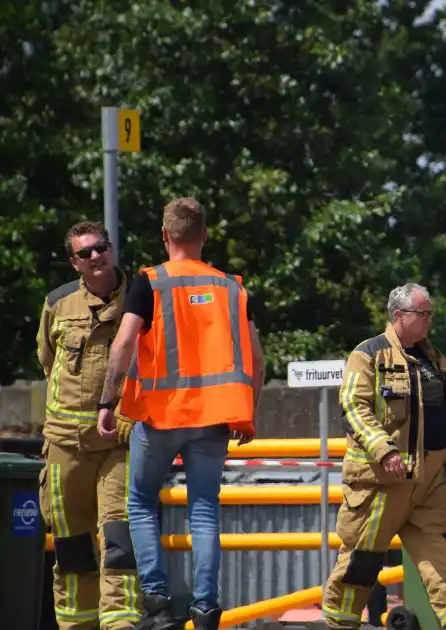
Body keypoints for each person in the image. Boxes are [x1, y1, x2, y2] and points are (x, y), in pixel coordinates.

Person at [96, 197, 266, 630]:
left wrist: (107, 401)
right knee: (205, 509)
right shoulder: (231, 287)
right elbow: (257, 358)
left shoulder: (150, 282)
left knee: (140, 502)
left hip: (159, 417)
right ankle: (206, 610)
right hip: (214, 420)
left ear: (165, 235)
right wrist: (249, 411)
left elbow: (124, 343)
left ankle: (156, 605)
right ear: (204, 236)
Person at [321, 283, 446, 630]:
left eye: (430, 314)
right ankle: (340, 623)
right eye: (421, 314)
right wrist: (384, 451)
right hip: (382, 483)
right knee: (361, 562)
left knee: (443, 554)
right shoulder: (368, 355)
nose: (428, 320)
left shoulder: (437, 358)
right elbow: (353, 407)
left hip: (431, 481)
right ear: (399, 316)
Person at [35, 221, 144, 630]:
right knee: (72, 544)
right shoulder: (57, 303)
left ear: (112, 249)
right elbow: (48, 360)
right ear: (74, 262)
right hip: (65, 444)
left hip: (119, 442)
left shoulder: (141, 298)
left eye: (101, 247)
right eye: (85, 253)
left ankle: (120, 622)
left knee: (119, 538)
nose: (95, 256)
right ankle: (77, 624)